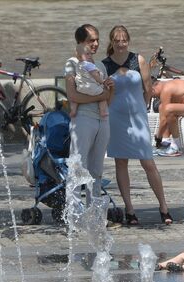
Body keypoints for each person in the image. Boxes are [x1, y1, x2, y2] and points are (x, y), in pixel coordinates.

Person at [102, 25, 172, 225]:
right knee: (121, 162)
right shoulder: (104, 65)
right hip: (116, 119)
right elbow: (104, 93)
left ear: (128, 41)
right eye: (117, 40)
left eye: (124, 40)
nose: (121, 44)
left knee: (148, 162)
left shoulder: (138, 60)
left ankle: (163, 207)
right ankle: (130, 210)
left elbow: (148, 89)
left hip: (137, 117)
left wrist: (141, 107)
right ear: (112, 42)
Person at [65, 24, 113, 206]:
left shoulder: (100, 65)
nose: (95, 44)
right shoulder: (72, 63)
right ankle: (74, 212)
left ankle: (94, 211)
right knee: (78, 167)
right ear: (80, 42)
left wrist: (109, 90)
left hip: (103, 119)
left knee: (97, 170)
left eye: (97, 40)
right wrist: (101, 94)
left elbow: (108, 97)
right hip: (83, 120)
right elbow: (72, 95)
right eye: (90, 40)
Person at [70, 43, 108, 120]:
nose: (90, 56)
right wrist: (102, 81)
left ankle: (73, 110)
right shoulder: (88, 64)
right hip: (90, 87)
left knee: (75, 101)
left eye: (90, 54)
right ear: (80, 56)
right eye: (87, 54)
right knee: (103, 95)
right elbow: (95, 75)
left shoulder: (78, 65)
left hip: (80, 87)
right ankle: (102, 111)